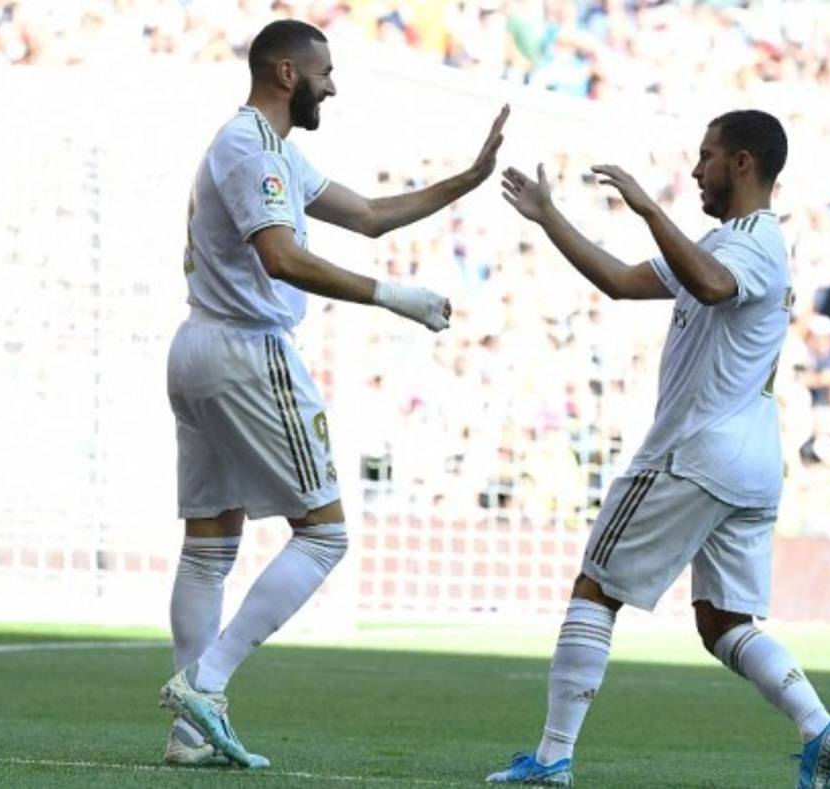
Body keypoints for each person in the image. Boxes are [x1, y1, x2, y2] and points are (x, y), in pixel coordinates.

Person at [157, 19, 508, 769]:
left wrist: (465, 180)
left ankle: (189, 735)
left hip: (196, 346)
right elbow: (281, 258)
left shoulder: (270, 150)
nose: (332, 84)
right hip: (248, 351)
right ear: (286, 72)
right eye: (323, 71)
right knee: (325, 533)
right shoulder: (251, 148)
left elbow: (371, 216)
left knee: (210, 544)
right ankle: (206, 683)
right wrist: (393, 297)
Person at [489, 110, 830, 788]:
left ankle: (551, 756)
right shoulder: (726, 241)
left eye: (707, 155)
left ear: (743, 163)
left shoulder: (752, 242)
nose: (696, 169)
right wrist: (550, 217)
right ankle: (820, 726)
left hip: (694, 451)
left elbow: (714, 285)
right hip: (749, 464)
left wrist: (648, 208)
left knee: (595, 587)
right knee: (722, 622)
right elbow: (623, 281)